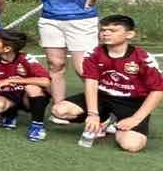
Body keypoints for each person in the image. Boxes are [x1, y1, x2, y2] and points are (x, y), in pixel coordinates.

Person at [25, 0, 141, 106]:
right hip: (50, 21)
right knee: (55, 65)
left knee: (83, 68)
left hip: (81, 22)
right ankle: (59, 108)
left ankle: (105, 106)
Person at [50, 14, 163, 153]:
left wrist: (135, 119)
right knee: (59, 110)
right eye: (103, 30)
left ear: (130, 34)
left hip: (131, 103)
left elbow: (158, 90)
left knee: (132, 145)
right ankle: (104, 119)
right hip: (102, 97)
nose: (106, 33)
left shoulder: (143, 58)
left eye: (113, 30)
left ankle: (115, 124)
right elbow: (91, 83)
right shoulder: (94, 53)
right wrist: (92, 114)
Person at [0, 29, 51, 140]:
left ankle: (37, 127)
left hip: (27, 97)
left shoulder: (26, 59)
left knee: (32, 88)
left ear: (7, 49)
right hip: (9, 96)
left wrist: (12, 81)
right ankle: (10, 114)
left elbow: (45, 81)